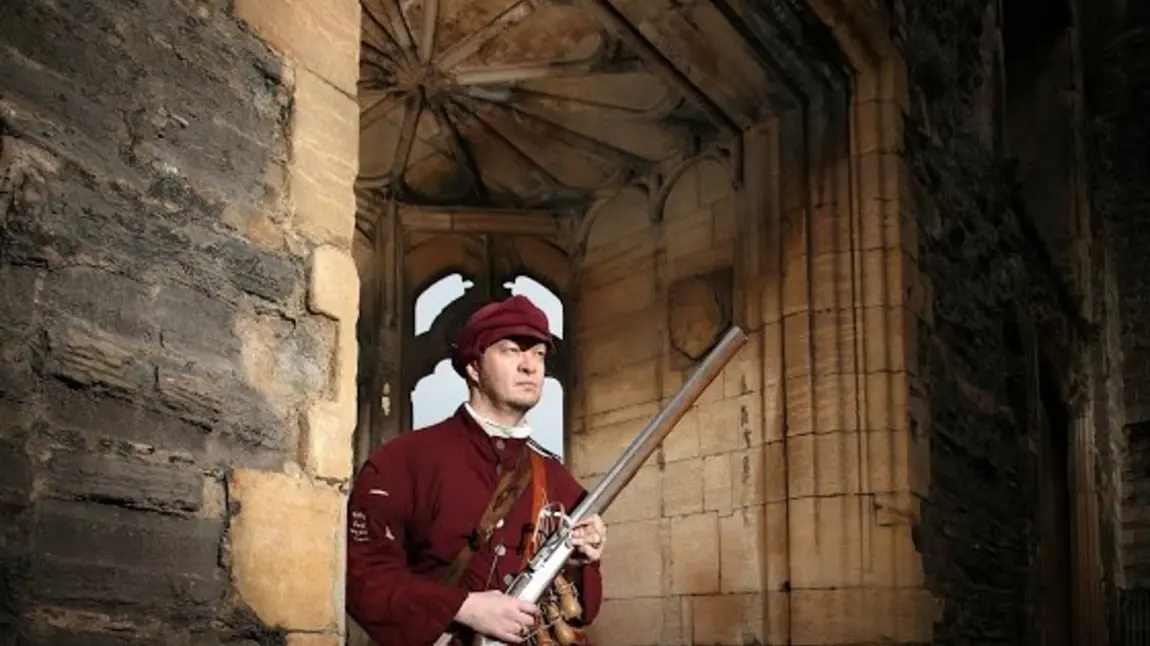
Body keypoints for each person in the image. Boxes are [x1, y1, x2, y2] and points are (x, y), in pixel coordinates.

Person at [346, 294, 608, 646]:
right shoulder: (402, 461)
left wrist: (583, 558)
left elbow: (582, 611)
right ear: (473, 367)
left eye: (539, 354)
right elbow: (363, 580)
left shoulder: (557, 479)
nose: (530, 366)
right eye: (512, 351)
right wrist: (464, 607)